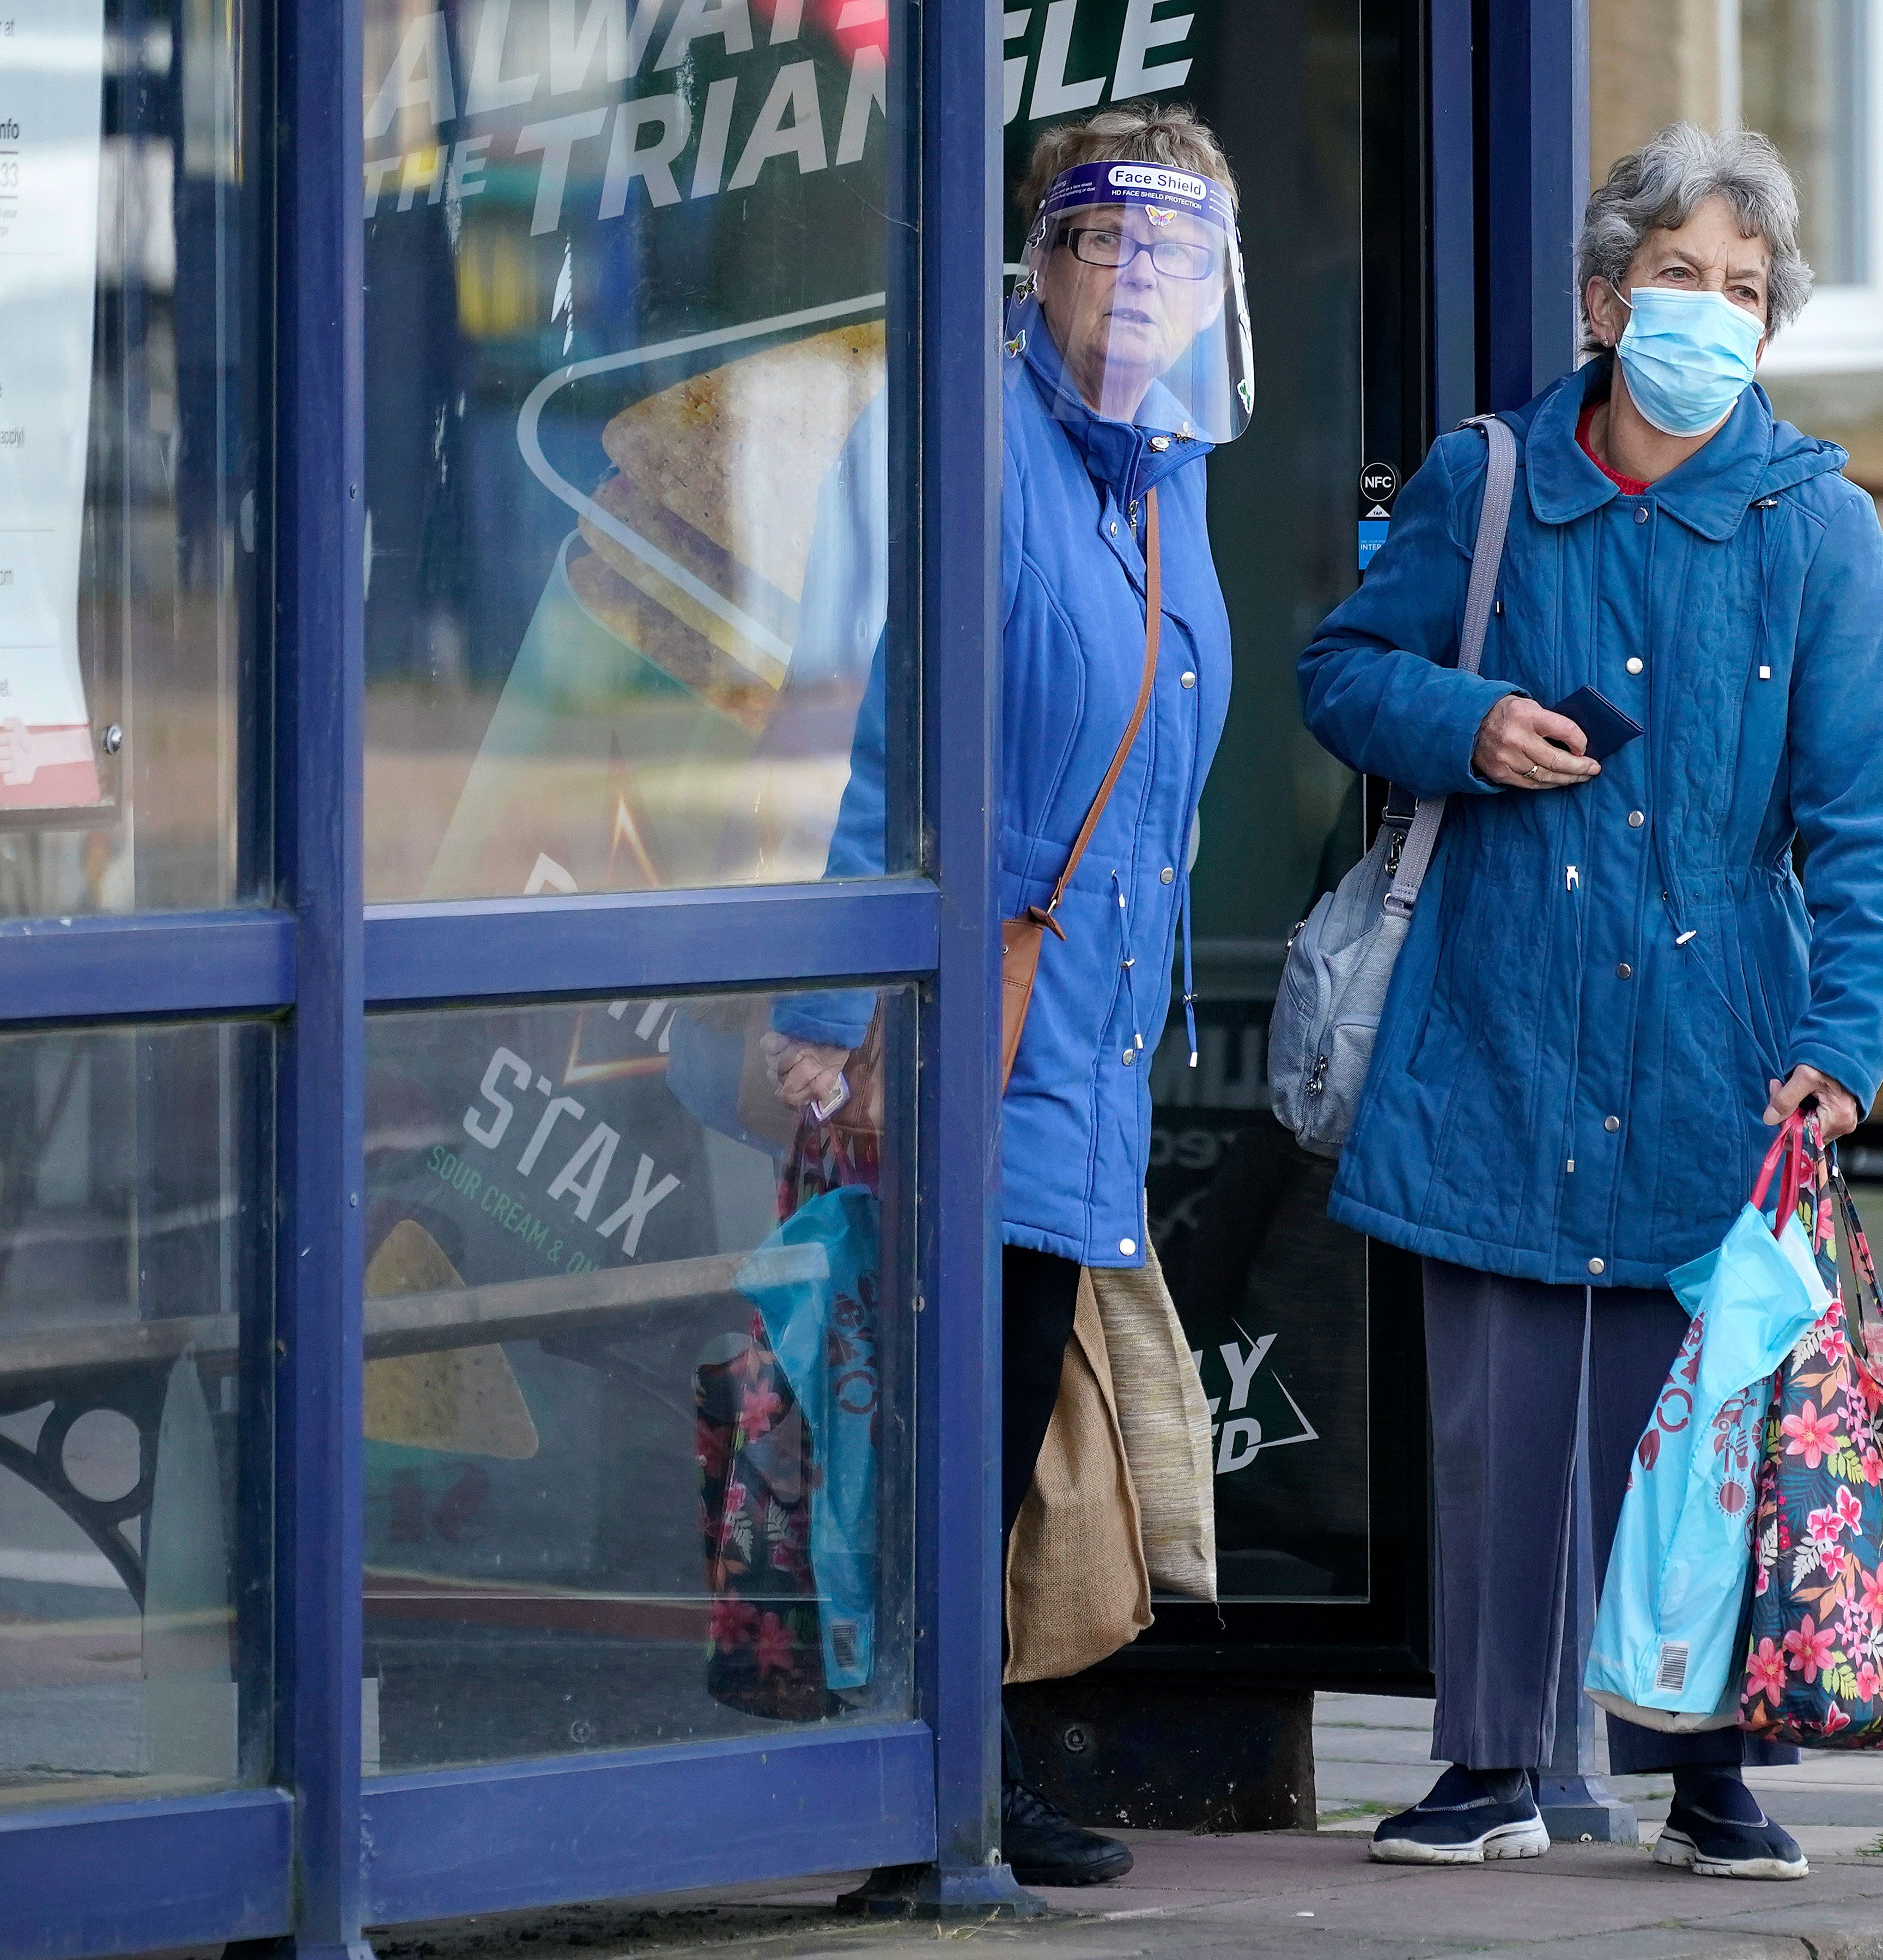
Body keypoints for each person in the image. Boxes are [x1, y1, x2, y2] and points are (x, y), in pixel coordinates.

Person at [1293, 124, 1883, 1878]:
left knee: (1708, 1415)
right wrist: (1462, 724)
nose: (1707, 315)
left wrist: (1841, 1042)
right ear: (1600, 297)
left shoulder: (1814, 527)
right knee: (1497, 1423)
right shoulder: (1482, 478)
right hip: (1493, 1008)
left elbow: (1868, 813)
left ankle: (1709, 1768)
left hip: (1717, 1032)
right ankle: (1487, 1761)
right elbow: (1340, 669)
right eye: (1676, 278)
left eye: (1742, 290)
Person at [704, 102, 1252, 1890]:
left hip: (1078, 1031)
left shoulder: (1160, 467)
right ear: (1044, 257)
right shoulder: (973, 440)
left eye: (1175, 253)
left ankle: (960, 1767)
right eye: (1108, 242)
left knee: (1003, 1422)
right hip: (964, 1018)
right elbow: (882, 735)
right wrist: (821, 1001)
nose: (1140, 281)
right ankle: (928, 1794)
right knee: (947, 1422)